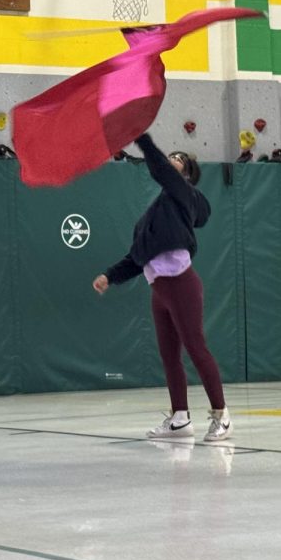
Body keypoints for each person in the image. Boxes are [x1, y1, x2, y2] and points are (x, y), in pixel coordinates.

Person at [92, 133, 231, 442]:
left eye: (179, 159)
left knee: (196, 348)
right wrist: (109, 276)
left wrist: (142, 138)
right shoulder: (153, 215)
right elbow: (137, 257)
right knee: (169, 355)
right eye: (173, 155)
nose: (173, 159)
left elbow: (159, 168)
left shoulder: (183, 192)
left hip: (181, 284)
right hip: (160, 290)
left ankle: (222, 415)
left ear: (186, 174)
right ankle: (180, 419)